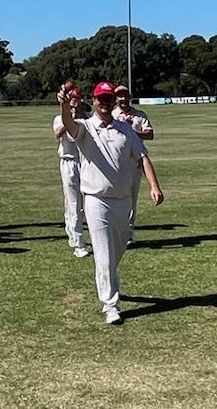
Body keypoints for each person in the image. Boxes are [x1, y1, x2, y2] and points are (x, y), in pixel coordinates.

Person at [58, 80, 164, 325]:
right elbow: (69, 125)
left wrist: (154, 186)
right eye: (100, 99)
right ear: (93, 102)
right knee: (104, 254)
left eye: (108, 99)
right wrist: (64, 106)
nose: (104, 103)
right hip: (95, 199)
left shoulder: (125, 129)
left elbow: (143, 157)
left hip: (123, 200)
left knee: (118, 249)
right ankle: (110, 305)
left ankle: (106, 278)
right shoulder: (85, 127)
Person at [112, 84, 154, 247]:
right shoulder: (112, 115)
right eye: (119, 96)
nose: (123, 99)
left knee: (131, 199)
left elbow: (150, 134)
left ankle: (127, 234)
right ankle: (115, 231)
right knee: (116, 197)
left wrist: (131, 131)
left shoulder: (139, 115)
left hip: (135, 162)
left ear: (129, 97)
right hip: (116, 162)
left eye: (125, 95)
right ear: (116, 98)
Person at [52, 86, 90, 258]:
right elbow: (57, 134)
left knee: (82, 202)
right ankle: (79, 244)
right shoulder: (59, 118)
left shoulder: (87, 119)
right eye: (72, 99)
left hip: (84, 162)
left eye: (77, 99)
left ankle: (73, 233)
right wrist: (70, 120)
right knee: (73, 202)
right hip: (68, 162)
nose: (75, 102)